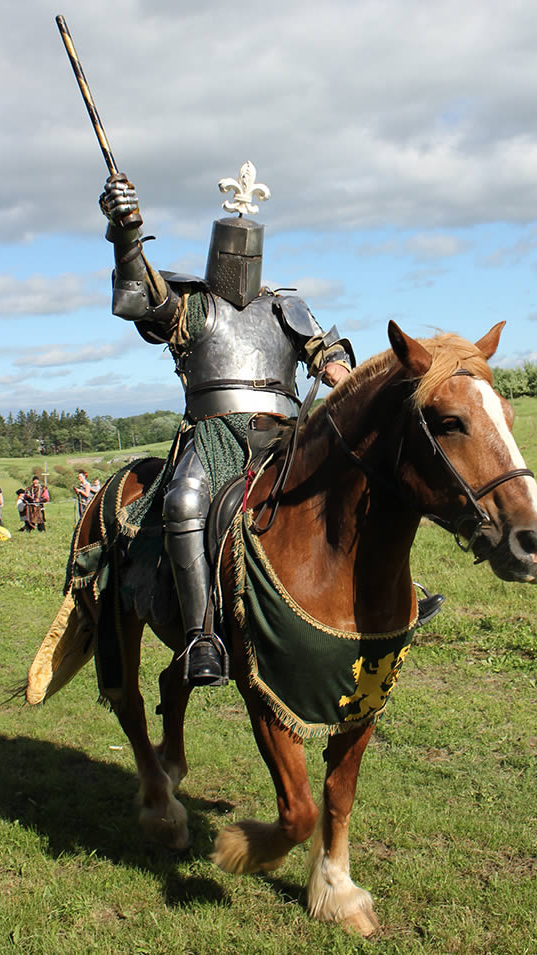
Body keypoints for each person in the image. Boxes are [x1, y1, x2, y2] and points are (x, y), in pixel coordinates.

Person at [99, 161, 354, 686]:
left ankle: (386, 597)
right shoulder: (192, 303)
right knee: (184, 500)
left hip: (283, 430)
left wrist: (344, 377)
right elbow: (140, 296)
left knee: (353, 480)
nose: (240, 260)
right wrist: (126, 238)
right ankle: (200, 637)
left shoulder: (285, 306)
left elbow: (326, 355)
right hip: (214, 432)